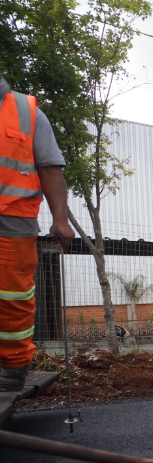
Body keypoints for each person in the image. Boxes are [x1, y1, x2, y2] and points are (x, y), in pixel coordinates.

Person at [0, 76, 75, 392]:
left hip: (12, 221)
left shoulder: (26, 112)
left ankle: (13, 367)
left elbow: (50, 167)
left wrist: (61, 218)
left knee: (12, 295)